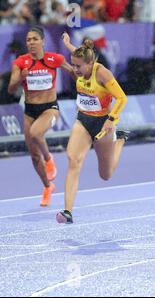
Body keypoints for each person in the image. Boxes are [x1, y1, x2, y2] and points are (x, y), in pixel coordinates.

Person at [57, 33, 129, 224]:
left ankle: (120, 140)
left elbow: (122, 98)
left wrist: (112, 119)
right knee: (73, 160)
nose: (75, 70)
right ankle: (68, 212)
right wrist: (68, 44)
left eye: (78, 67)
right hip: (83, 120)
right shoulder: (82, 61)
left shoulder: (102, 73)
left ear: (90, 64)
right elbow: (78, 55)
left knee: (105, 174)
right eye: (73, 65)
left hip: (103, 124)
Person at [8, 26, 73, 207]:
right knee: (33, 156)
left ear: (43, 41)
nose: (31, 43)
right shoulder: (20, 62)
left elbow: (73, 71)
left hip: (50, 108)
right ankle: (47, 186)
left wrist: (85, 77)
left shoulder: (54, 59)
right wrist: (20, 77)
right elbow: (11, 88)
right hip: (30, 111)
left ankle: (49, 159)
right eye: (28, 40)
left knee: (37, 134)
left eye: (35, 39)